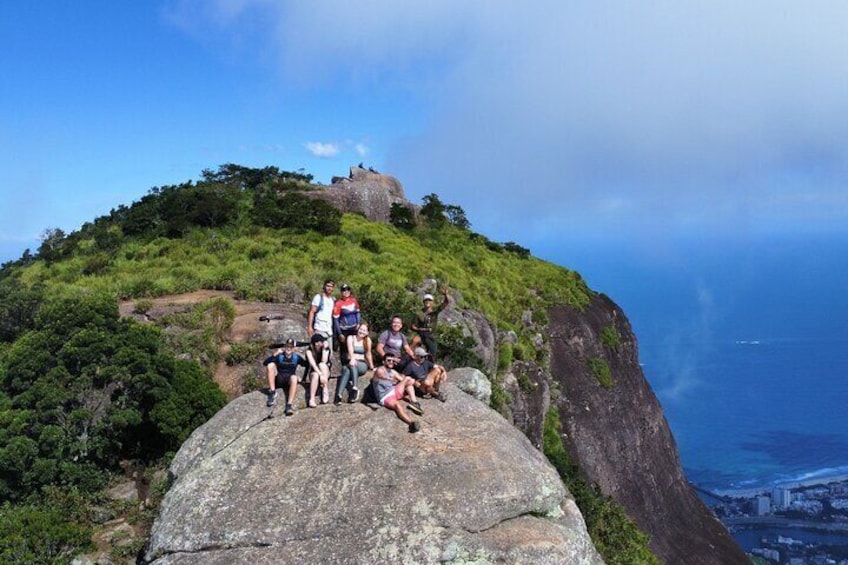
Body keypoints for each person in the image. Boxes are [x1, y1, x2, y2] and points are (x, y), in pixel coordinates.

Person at [370, 353, 422, 433]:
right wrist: (391, 379)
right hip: (385, 397)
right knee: (397, 405)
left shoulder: (393, 372)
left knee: (409, 380)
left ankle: (414, 402)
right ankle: (411, 423)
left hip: (394, 390)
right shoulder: (379, 370)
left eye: (392, 360)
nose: (391, 362)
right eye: (388, 360)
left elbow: (401, 379)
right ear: (383, 362)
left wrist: (413, 382)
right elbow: (381, 375)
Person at [264, 338, 307, 415]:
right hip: (279, 379)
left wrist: (303, 379)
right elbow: (265, 363)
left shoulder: (296, 358)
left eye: (291, 347)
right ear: (284, 347)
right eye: (287, 346)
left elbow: (307, 365)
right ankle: (272, 392)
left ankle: (289, 406)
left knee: (294, 378)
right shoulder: (279, 356)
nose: (288, 348)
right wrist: (275, 354)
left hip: (289, 381)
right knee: (270, 365)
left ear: (294, 348)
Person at [336, 322, 374, 405]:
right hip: (351, 362)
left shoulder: (367, 340)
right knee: (346, 370)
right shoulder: (350, 338)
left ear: (367, 332)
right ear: (357, 329)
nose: (362, 332)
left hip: (362, 364)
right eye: (361, 329)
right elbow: (350, 350)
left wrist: (371, 366)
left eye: (364, 330)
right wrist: (352, 358)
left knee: (351, 365)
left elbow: (368, 354)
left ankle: (355, 387)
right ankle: (339, 396)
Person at [410, 286, 450, 359]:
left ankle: (429, 364)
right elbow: (412, 326)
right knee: (414, 340)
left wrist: (445, 295)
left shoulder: (435, 311)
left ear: (432, 302)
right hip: (422, 335)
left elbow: (446, 303)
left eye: (429, 300)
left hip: (431, 336)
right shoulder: (419, 313)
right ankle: (409, 357)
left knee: (432, 355)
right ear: (423, 302)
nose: (427, 301)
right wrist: (419, 329)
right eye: (426, 300)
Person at [305, 333, 332, 407]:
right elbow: (313, 365)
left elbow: (324, 361)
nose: (319, 344)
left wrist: (324, 349)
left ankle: (325, 389)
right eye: (317, 342)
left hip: (325, 371)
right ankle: (312, 399)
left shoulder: (326, 349)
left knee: (321, 364)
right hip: (315, 372)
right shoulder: (309, 351)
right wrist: (320, 375)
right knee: (316, 375)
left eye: (320, 342)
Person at [332, 283, 362, 350]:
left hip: (354, 329)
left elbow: (358, 312)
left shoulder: (354, 300)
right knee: (345, 350)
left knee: (355, 348)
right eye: (344, 290)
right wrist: (339, 333)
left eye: (348, 290)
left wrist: (358, 323)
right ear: (341, 292)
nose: (346, 292)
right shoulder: (338, 303)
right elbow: (336, 320)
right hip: (344, 330)